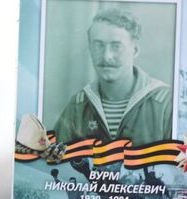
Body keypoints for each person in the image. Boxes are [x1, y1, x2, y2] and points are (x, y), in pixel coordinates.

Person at [52, 6, 173, 145]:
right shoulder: (78, 105)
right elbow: (53, 161)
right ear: (90, 48)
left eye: (116, 46)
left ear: (135, 50)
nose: (106, 56)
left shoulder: (166, 103)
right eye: (98, 45)